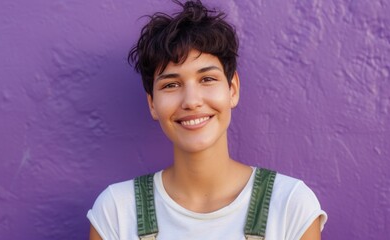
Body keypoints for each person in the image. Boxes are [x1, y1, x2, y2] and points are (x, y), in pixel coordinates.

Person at [87, 1, 327, 239]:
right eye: (171, 84)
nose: (191, 101)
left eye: (207, 79)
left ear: (232, 89)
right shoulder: (117, 211)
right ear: (152, 104)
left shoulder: (289, 205)